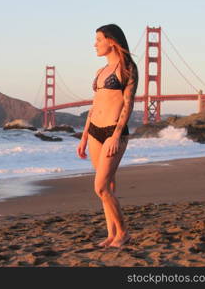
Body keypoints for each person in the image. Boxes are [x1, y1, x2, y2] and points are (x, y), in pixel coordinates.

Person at [77, 24, 138, 248]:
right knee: (107, 187)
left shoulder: (127, 68)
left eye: (99, 39)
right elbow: (94, 107)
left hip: (114, 132)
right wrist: (83, 137)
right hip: (94, 132)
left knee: (100, 186)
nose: (95, 44)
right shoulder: (99, 72)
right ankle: (111, 234)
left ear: (111, 41)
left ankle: (123, 233)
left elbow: (128, 105)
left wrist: (116, 135)